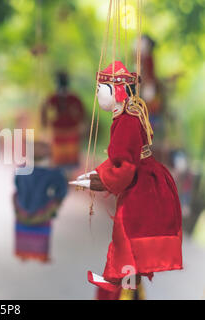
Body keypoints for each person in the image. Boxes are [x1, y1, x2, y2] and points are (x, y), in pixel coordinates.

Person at [70, 61, 182, 297]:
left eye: (101, 87)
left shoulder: (126, 120)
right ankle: (124, 287)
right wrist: (97, 174)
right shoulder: (126, 116)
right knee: (129, 248)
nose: (97, 92)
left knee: (126, 243)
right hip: (145, 183)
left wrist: (97, 181)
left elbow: (125, 168)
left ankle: (118, 287)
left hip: (141, 189)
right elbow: (120, 160)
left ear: (116, 91)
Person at [13, 141, 68, 262]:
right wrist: (56, 201)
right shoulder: (54, 173)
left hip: (22, 207)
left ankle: (23, 253)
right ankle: (41, 255)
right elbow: (62, 190)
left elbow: (16, 185)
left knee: (23, 231)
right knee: (42, 232)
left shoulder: (21, 170)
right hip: (43, 208)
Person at [41, 72, 85, 169]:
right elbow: (81, 112)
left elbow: (44, 110)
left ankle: (63, 173)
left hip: (60, 130)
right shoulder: (73, 97)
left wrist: (45, 123)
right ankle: (67, 173)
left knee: (61, 155)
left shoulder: (53, 97)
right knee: (68, 154)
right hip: (69, 129)